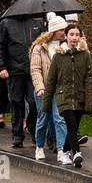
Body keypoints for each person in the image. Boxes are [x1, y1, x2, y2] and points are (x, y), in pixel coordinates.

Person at [43, 22, 92, 167]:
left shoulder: (85, 55)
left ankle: (65, 151)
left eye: (77, 35)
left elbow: (89, 78)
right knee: (71, 124)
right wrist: (46, 103)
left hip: (79, 96)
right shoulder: (58, 56)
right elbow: (51, 80)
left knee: (74, 125)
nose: (74, 37)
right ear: (66, 36)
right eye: (71, 34)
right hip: (63, 96)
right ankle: (76, 152)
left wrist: (89, 101)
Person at [0, 0, 41, 149]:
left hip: (33, 70)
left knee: (34, 102)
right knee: (16, 102)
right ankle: (17, 134)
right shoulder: (6, 23)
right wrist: (1, 66)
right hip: (14, 70)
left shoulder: (36, 22)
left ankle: (34, 130)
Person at [30, 13, 70, 161]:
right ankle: (39, 146)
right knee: (43, 118)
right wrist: (39, 87)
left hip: (60, 89)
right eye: (61, 30)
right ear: (54, 31)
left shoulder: (66, 47)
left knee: (60, 119)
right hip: (44, 89)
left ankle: (61, 150)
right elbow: (35, 69)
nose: (63, 32)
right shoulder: (39, 47)